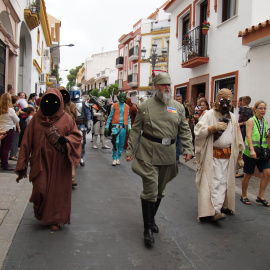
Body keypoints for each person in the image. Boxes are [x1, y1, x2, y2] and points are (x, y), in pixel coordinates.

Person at [125, 73, 193, 245]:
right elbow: (135, 129)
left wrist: (188, 147)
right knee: (150, 188)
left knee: (160, 190)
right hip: (148, 152)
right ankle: (147, 229)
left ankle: (151, 219)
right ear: (156, 87)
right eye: (163, 85)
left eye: (169, 85)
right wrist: (130, 149)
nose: (167, 88)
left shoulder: (178, 107)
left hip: (168, 154)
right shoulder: (145, 106)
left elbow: (184, 129)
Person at [15, 88, 81, 231]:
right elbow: (26, 141)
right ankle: (41, 211)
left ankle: (55, 220)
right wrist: (22, 163)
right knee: (40, 189)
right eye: (47, 100)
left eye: (54, 101)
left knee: (58, 192)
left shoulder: (67, 119)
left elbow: (76, 137)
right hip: (40, 161)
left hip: (60, 163)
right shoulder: (36, 120)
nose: (50, 103)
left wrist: (66, 139)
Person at [195, 89, 244, 222]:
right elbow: (198, 130)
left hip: (228, 157)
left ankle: (218, 207)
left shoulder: (232, 117)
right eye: (222, 100)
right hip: (212, 156)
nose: (225, 104)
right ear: (217, 101)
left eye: (228, 101)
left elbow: (238, 138)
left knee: (223, 182)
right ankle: (212, 211)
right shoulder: (209, 114)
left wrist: (239, 157)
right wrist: (213, 128)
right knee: (213, 182)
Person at [240, 100, 270, 207]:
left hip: (262, 152)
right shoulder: (251, 121)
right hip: (251, 152)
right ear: (255, 109)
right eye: (260, 108)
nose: (263, 110)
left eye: (264, 108)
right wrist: (252, 150)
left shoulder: (265, 121)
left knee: (267, 173)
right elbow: (248, 136)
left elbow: (265, 136)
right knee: (248, 174)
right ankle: (243, 195)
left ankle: (260, 196)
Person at [58, 86, 78, 187]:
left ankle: (71, 178)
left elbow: (75, 118)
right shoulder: (56, 105)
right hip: (58, 133)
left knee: (70, 155)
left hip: (68, 133)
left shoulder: (71, 105)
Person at [105, 92, 130, 166]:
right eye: (121, 97)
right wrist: (106, 126)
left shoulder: (127, 106)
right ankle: (114, 158)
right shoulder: (114, 106)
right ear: (118, 98)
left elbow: (128, 118)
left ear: (125, 98)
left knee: (121, 144)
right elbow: (110, 116)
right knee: (116, 142)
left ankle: (118, 157)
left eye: (123, 97)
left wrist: (129, 127)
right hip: (115, 127)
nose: (122, 98)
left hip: (123, 127)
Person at [70, 86, 92, 166]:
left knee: (82, 142)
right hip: (71, 124)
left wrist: (89, 124)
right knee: (71, 141)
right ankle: (72, 157)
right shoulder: (68, 102)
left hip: (81, 124)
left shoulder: (83, 102)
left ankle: (81, 157)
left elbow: (88, 114)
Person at [0, 93, 20, 170]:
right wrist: (17, 114)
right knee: (6, 148)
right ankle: (5, 164)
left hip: (2, 129)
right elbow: (16, 120)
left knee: (2, 147)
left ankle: (3, 162)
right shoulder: (10, 110)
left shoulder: (1, 109)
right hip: (9, 129)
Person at [236, 96, 253, 178]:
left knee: (240, 149)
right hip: (248, 131)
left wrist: (240, 124)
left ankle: (240, 170)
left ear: (243, 101)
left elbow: (242, 120)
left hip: (242, 131)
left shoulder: (242, 109)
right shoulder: (251, 110)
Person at [175, 94, 190, 164]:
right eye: (177, 99)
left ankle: (177, 157)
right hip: (174, 128)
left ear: (182, 100)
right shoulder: (172, 107)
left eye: (179, 99)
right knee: (173, 143)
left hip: (181, 129)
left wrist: (184, 125)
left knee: (179, 144)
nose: (178, 101)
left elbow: (187, 117)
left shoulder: (185, 108)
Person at [9, 96, 21, 161]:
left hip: (8, 126)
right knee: (15, 141)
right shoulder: (15, 108)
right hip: (13, 126)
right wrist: (18, 127)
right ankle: (13, 155)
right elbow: (16, 120)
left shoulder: (6, 108)